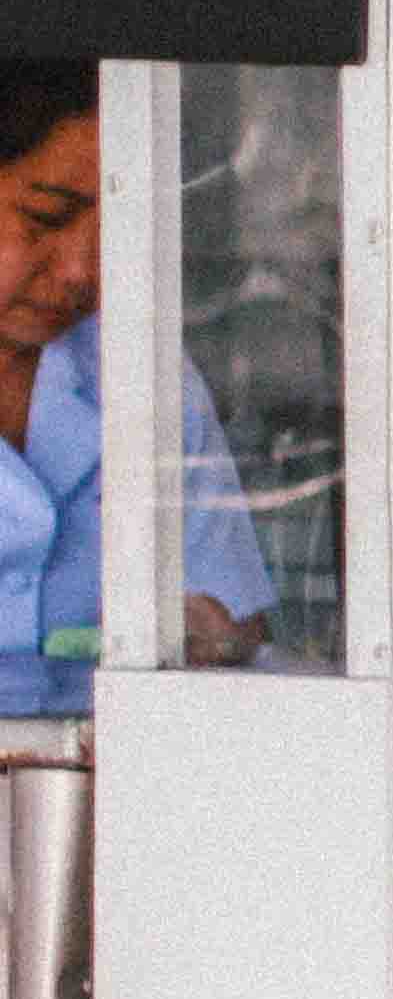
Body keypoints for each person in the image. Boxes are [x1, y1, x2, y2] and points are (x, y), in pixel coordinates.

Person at [0, 63, 276, 666]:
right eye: (45, 218)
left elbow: (235, 618)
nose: (81, 269)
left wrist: (211, 635)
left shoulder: (139, 366)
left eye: (114, 229)